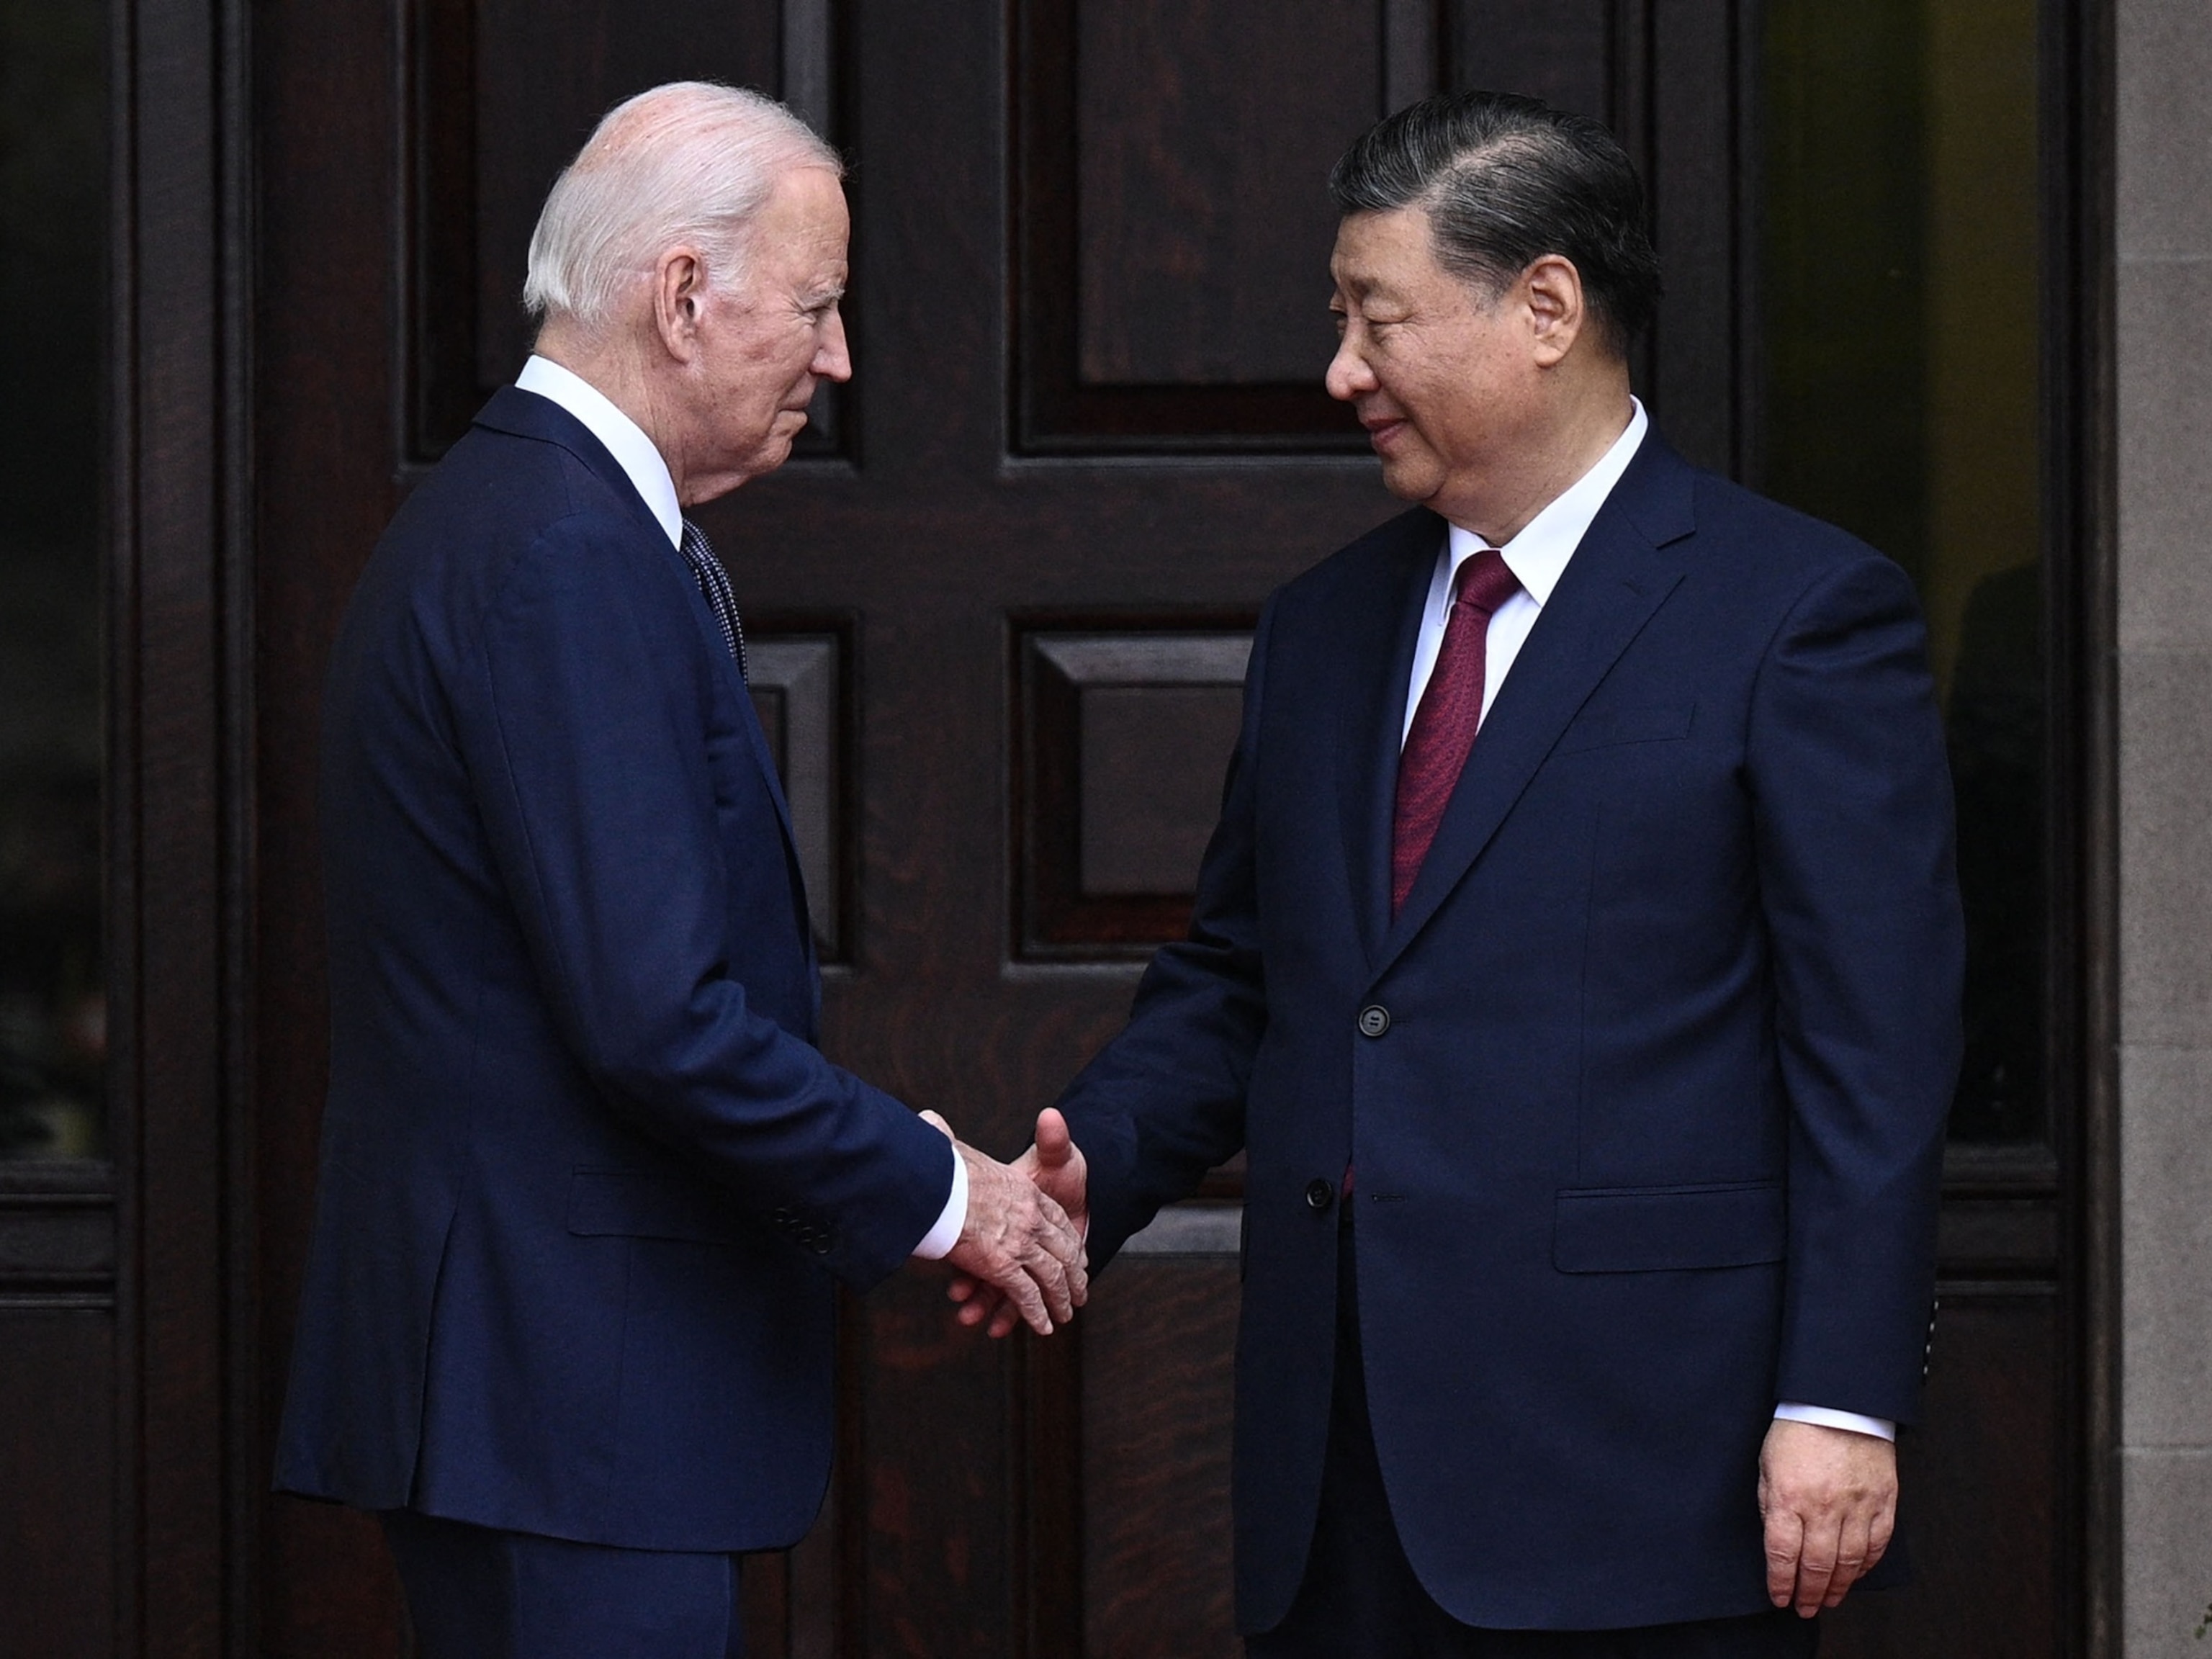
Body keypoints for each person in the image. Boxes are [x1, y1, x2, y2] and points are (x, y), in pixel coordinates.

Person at [960, 91, 1961, 1656]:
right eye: (1339, 320)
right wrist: (1104, 1155)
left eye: (1378, 318)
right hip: (1339, 1475)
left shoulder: (1798, 615)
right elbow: (1247, 973)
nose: (1341, 371)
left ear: (1547, 307)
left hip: (1647, 1473)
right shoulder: (1326, 624)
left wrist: (1840, 1398)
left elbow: (1873, 1050)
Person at [274, 81, 1084, 1659]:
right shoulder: (564, 549)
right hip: (563, 1402)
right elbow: (653, 1019)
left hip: (544, 1395)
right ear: (685, 295)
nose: (838, 359)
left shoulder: (514, 515)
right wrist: (943, 1193)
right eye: (819, 305)